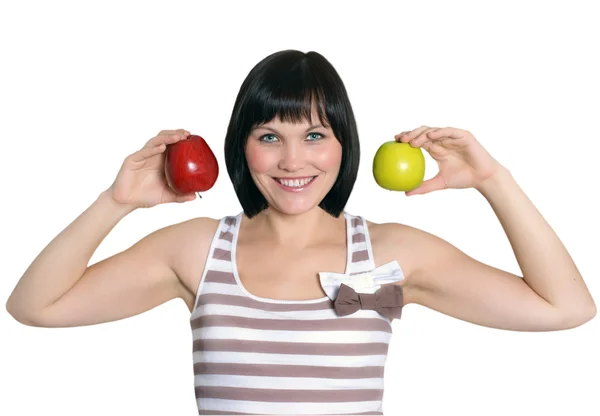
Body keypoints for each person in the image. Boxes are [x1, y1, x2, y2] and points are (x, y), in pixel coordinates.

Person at [6, 50, 596, 415]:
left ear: (344, 144)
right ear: (242, 145)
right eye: (269, 136)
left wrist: (494, 180)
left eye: (314, 136)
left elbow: (566, 306)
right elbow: (34, 306)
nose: (293, 161)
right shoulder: (196, 249)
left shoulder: (391, 255)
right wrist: (116, 203)